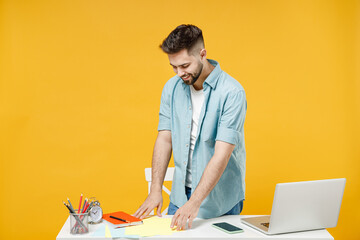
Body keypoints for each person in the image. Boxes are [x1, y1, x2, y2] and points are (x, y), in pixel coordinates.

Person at [133, 24, 247, 231]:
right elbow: (164, 139)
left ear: (202, 54)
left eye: (185, 66)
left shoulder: (232, 93)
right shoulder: (171, 88)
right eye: (174, 67)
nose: (179, 73)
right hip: (179, 196)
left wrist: (194, 203)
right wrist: (155, 189)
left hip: (221, 201)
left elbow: (221, 155)